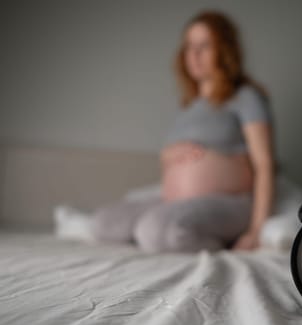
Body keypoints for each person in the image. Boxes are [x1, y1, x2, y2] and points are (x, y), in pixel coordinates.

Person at [55, 10, 277, 253]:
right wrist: (169, 155)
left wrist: (256, 230)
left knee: (155, 231)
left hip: (231, 202)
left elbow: (264, 164)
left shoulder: (245, 97)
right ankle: (169, 233)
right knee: (104, 223)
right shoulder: (187, 107)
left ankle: (219, 245)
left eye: (204, 46)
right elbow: (174, 155)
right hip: (175, 200)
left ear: (225, 50)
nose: (194, 55)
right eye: (189, 46)